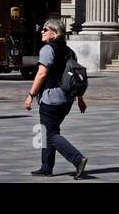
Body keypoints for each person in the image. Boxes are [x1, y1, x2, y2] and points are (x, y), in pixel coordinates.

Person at [25, 18, 88, 178]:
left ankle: (77, 159)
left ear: (54, 33)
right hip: (67, 99)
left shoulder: (47, 49)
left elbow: (41, 73)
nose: (42, 31)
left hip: (51, 97)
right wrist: (80, 98)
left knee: (49, 134)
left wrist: (30, 95)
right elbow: (76, 75)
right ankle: (46, 167)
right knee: (50, 131)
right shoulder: (69, 51)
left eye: (45, 29)